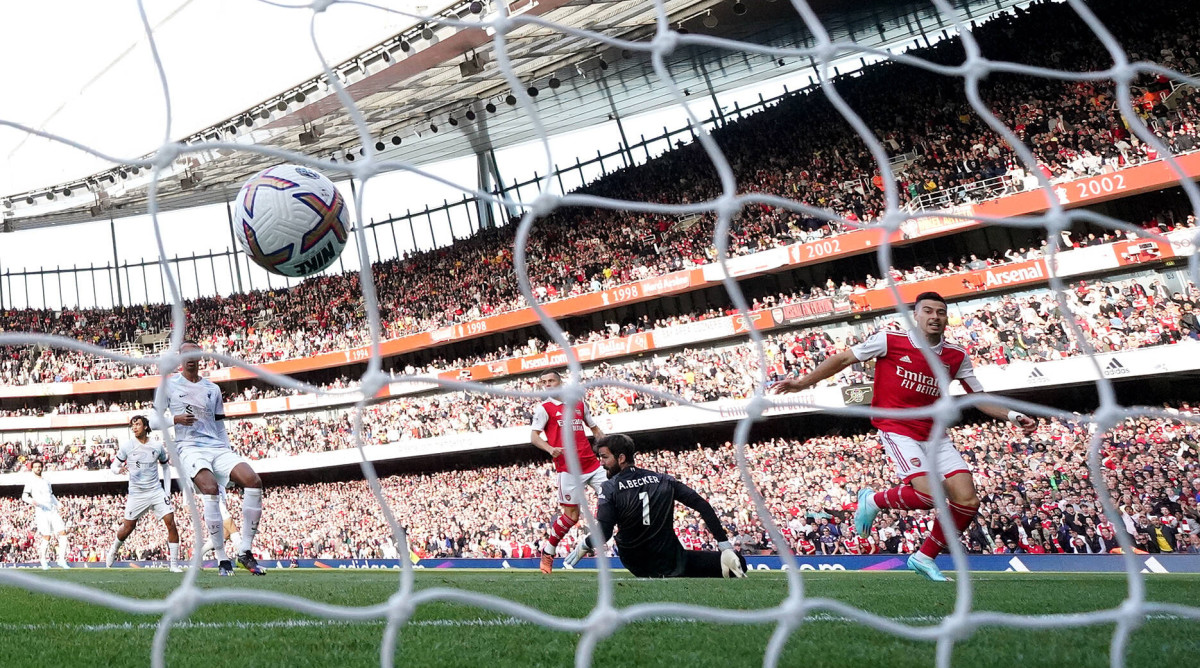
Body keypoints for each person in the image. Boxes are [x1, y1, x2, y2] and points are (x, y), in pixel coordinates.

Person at [773, 292, 1037, 582]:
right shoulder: (889, 339)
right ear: (916, 315)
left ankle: (923, 558)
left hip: (935, 434)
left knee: (968, 500)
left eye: (940, 312)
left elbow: (979, 396)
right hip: (896, 427)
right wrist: (801, 384)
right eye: (928, 311)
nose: (935, 317)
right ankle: (872, 500)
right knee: (928, 495)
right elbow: (844, 358)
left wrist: (1012, 415)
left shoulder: (956, 355)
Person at [564, 434, 746, 578]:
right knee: (739, 563)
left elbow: (604, 533)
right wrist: (725, 546)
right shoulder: (663, 479)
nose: (601, 463)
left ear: (620, 458)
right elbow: (702, 505)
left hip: (638, 563)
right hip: (673, 559)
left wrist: (584, 545)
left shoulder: (610, 487)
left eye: (604, 457)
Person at [169, 341, 266, 576]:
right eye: (186, 354)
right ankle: (222, 558)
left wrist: (228, 452)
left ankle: (244, 551)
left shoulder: (212, 389)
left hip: (217, 447)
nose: (191, 357)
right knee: (210, 488)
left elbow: (220, 425)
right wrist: (176, 419)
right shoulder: (169, 386)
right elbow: (151, 421)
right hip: (189, 447)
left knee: (253, 481)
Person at [530, 371, 606, 574]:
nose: (548, 384)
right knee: (571, 517)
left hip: (593, 465)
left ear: (560, 382)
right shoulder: (544, 409)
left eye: (551, 380)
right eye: (544, 382)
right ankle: (548, 551)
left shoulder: (579, 403)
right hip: (568, 469)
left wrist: (607, 446)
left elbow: (595, 429)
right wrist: (549, 448)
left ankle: (596, 542)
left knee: (615, 499)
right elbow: (534, 437)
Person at [106, 416, 183, 572]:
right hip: (137, 494)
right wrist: (118, 470)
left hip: (156, 491)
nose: (134, 428)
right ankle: (114, 549)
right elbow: (114, 466)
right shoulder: (127, 446)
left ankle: (174, 565)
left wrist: (166, 492)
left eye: (138, 424)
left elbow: (166, 467)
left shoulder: (157, 446)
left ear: (146, 427)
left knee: (171, 523)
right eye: (132, 425)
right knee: (128, 527)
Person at [21, 460, 70, 569]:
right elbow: (24, 496)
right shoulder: (30, 481)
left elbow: (51, 495)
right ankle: (43, 560)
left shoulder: (46, 481)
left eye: (39, 466)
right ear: (32, 469)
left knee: (63, 532)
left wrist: (60, 505)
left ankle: (61, 560)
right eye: (36, 467)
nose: (38, 468)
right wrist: (32, 501)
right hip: (41, 511)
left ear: (42, 468)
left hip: (52, 510)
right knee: (46, 536)